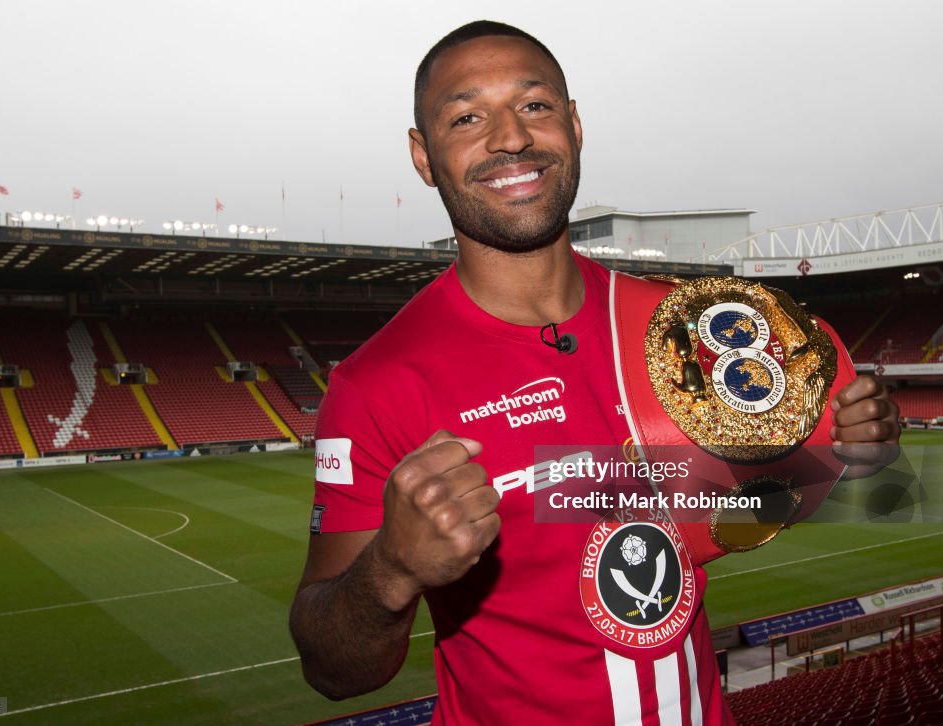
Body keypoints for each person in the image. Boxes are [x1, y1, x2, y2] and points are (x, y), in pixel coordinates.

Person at [289, 20, 899, 724]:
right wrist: (391, 570)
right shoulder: (378, 383)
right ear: (423, 157)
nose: (510, 137)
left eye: (535, 105)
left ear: (574, 125)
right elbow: (332, 671)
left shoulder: (678, 329)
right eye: (466, 117)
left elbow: (716, 520)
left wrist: (838, 451)